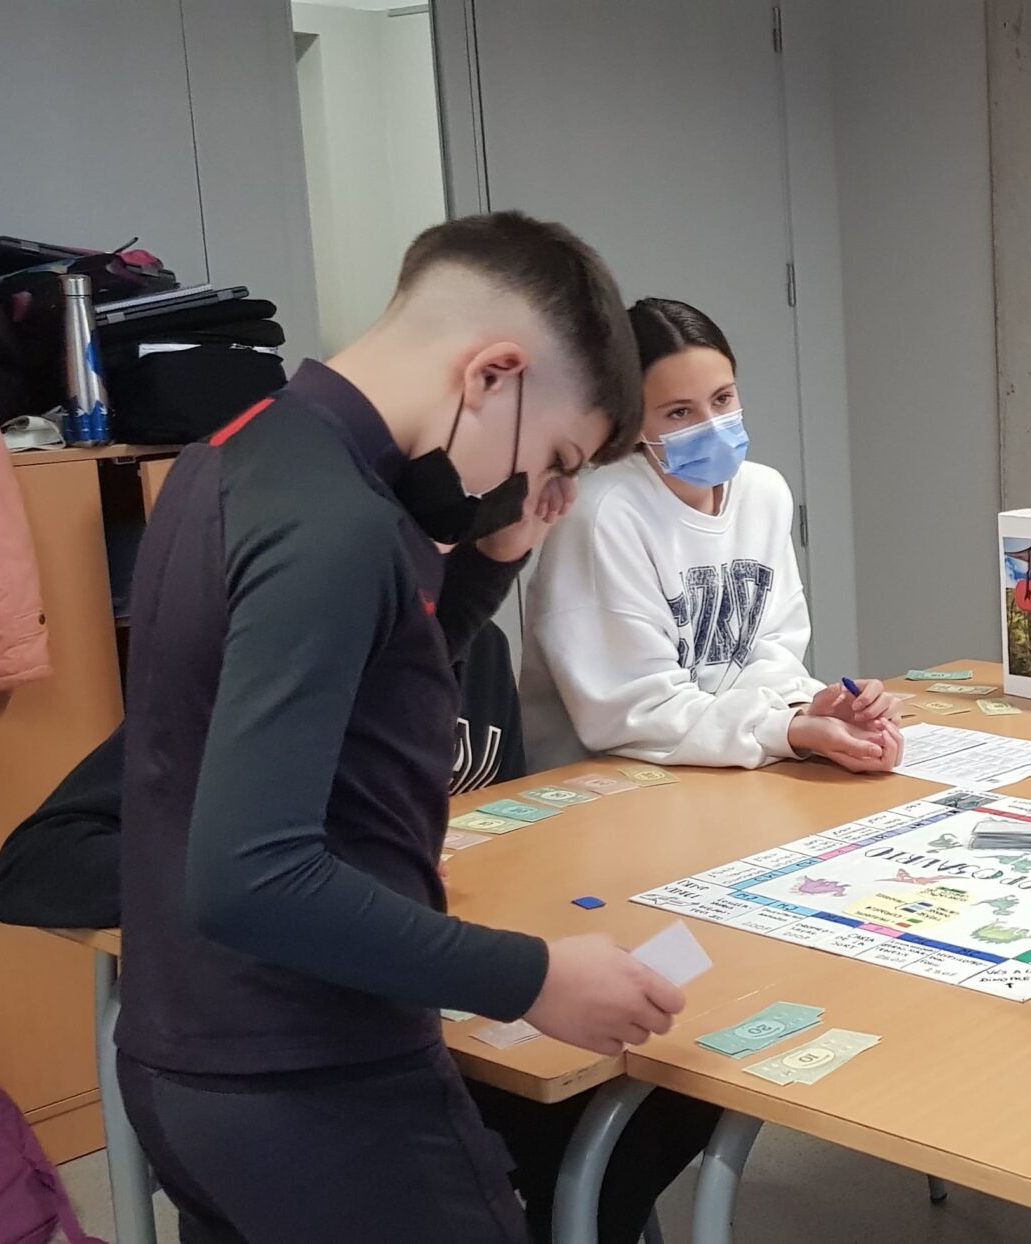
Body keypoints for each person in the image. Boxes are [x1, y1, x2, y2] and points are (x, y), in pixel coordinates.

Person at [113, 212, 685, 1244]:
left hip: (192, 1061)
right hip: (314, 1078)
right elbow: (251, 877)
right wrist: (533, 977)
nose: (531, 487)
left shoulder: (239, 455)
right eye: (552, 456)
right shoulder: (341, 524)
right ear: (493, 375)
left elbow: (372, 687)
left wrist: (494, 561)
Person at [0, 624, 721, 1244]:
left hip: (446, 990)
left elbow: (501, 838)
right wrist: (299, 870)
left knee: (678, 1074)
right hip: (315, 1055)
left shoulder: (479, 647)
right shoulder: (278, 665)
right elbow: (35, 865)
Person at [519, 296, 897, 773]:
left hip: (730, 766)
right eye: (679, 412)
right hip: (606, 782)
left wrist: (811, 710)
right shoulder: (603, 515)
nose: (712, 426)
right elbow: (634, 712)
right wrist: (786, 729)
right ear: (629, 422)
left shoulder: (764, 493)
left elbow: (773, 653)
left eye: (722, 399)